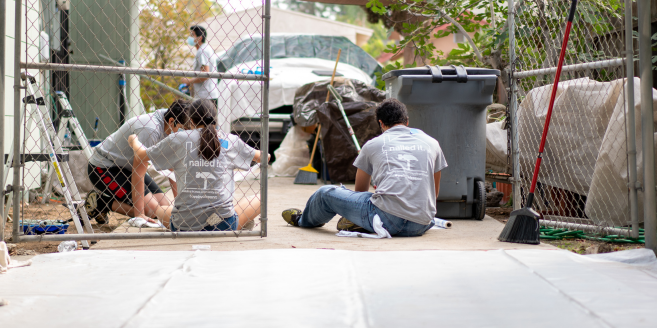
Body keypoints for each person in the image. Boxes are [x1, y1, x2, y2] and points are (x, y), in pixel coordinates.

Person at [281, 98, 446, 237]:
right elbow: (434, 192)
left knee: (325, 194)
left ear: (381, 123)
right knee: (376, 198)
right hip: (423, 223)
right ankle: (365, 222)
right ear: (407, 121)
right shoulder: (432, 143)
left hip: (388, 222)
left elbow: (359, 192)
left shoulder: (373, 145)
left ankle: (303, 220)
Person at [128, 99, 265, 232]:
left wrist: (133, 140)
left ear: (191, 120)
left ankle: (225, 221)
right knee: (260, 198)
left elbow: (141, 155)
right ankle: (239, 222)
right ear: (215, 119)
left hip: (183, 225)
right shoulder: (230, 141)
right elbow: (263, 158)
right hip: (223, 224)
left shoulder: (178, 139)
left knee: (161, 211)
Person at [86, 100, 189, 222]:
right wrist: (139, 214)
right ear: (172, 121)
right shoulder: (151, 130)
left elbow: (173, 169)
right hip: (104, 168)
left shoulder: (169, 121)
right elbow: (138, 173)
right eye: (184, 129)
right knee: (152, 213)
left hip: (127, 167)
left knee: (165, 208)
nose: (187, 133)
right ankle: (101, 202)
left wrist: (181, 206)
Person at [182, 25, 219, 103]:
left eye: (192, 35)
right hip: (209, 95)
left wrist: (189, 81)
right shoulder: (206, 49)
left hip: (205, 96)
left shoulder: (202, 51)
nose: (190, 37)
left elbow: (205, 74)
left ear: (200, 38)